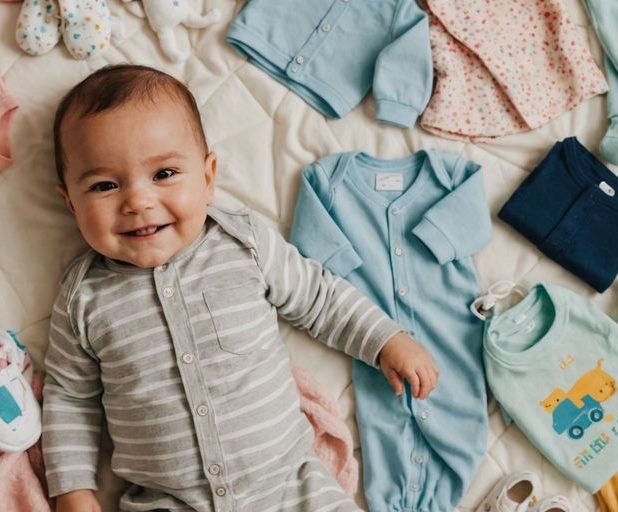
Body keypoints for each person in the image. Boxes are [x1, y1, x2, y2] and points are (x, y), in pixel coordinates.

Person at [44, 64, 439, 512]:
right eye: (105, 185)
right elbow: (68, 397)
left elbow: (320, 298)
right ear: (70, 202)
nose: (138, 201)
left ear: (208, 177)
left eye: (164, 174)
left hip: (290, 485)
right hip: (169, 501)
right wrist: (73, 490)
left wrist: (385, 339)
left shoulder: (241, 242)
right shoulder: (83, 298)